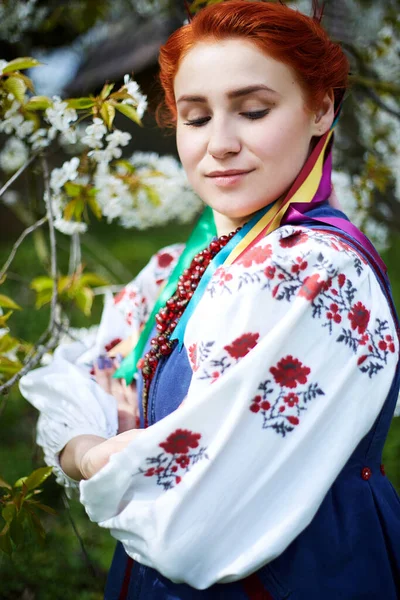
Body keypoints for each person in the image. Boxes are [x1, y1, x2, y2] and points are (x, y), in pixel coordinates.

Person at [20, 1, 400, 599]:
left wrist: (95, 455)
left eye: (253, 110)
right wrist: (95, 448)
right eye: (195, 118)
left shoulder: (315, 271)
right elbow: (72, 380)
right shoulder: (180, 264)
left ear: (321, 108)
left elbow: (186, 525)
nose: (219, 143)